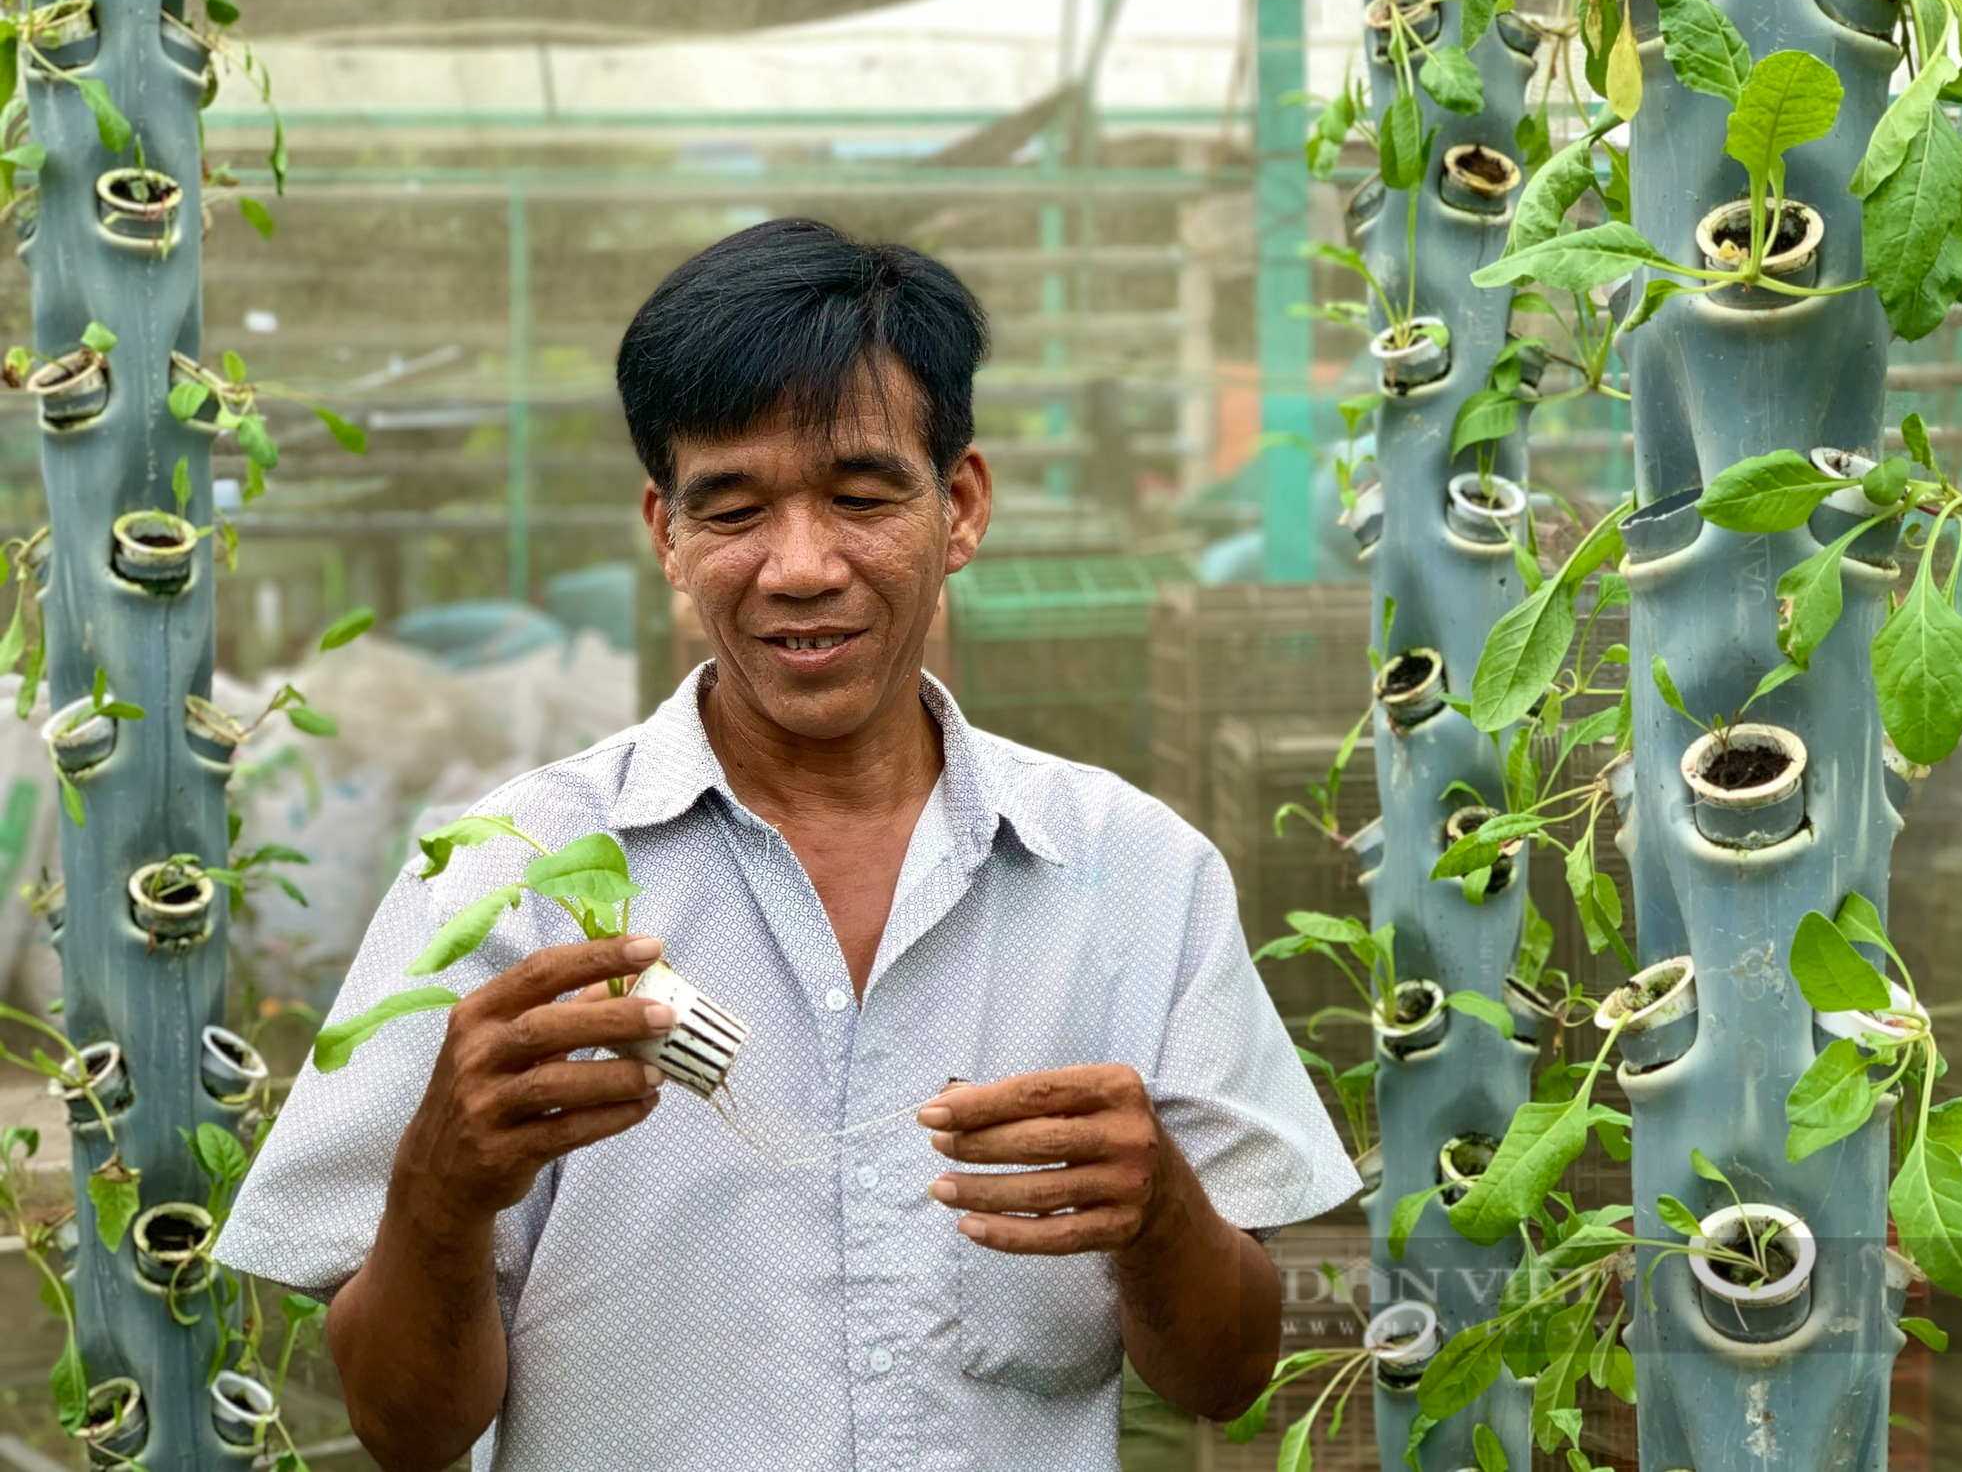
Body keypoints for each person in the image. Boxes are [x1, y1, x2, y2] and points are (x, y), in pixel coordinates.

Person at [216, 217, 1357, 1472]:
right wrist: (441, 1188)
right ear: (666, 533)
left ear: (959, 507)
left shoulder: (1130, 874)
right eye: (734, 509)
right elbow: (404, 1427)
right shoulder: (510, 877)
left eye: (863, 498)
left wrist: (1161, 1217)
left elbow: (1223, 1375)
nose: (800, 567)